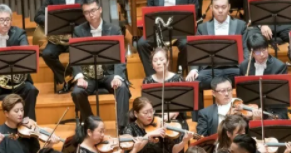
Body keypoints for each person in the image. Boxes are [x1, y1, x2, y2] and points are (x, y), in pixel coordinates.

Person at [71, 0, 131, 131]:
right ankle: (91, 124)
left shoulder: (114, 30)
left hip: (108, 74)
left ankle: (123, 128)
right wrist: (79, 77)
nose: (91, 14)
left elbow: (121, 57)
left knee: (122, 88)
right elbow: (74, 57)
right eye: (87, 12)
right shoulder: (78, 31)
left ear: (100, 9)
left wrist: (117, 76)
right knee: (77, 92)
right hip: (89, 76)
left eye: (93, 10)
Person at [136, 0, 199, 78]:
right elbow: (149, 12)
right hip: (159, 30)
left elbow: (194, 11)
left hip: (180, 31)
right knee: (142, 43)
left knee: (187, 44)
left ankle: (179, 74)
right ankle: (153, 77)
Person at [35, 0, 85, 93]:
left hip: (77, 38)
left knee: (77, 51)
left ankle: (75, 76)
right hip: (58, 39)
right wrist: (52, 21)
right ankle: (67, 78)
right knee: (47, 54)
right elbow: (38, 16)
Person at [238, 33, 289, 119]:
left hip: (273, 108)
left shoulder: (279, 66)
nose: (262, 54)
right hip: (251, 108)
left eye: (264, 49)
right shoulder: (244, 66)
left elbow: (280, 95)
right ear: (251, 52)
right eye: (258, 51)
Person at [197, 76, 261, 137]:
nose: (227, 93)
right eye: (222, 91)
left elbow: (250, 136)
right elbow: (202, 139)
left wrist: (256, 120)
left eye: (229, 90)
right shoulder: (205, 113)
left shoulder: (240, 108)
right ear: (214, 93)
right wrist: (228, 119)